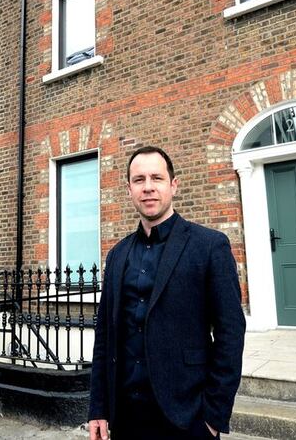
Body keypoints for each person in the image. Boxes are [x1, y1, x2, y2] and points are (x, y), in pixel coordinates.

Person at [87, 146, 246, 440]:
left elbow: (230, 332)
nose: (148, 187)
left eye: (156, 178)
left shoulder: (209, 246)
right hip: (126, 417)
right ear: (129, 189)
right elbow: (105, 337)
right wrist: (98, 407)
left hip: (187, 418)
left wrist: (213, 417)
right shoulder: (118, 255)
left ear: (173, 185)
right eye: (139, 180)